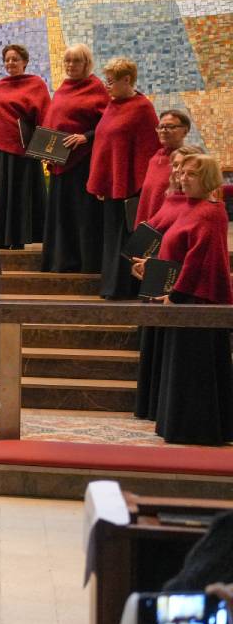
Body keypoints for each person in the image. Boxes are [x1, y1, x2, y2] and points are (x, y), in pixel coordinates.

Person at [133, 155, 232, 445]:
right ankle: (179, 426)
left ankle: (195, 429)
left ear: (209, 179)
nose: (183, 178)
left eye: (192, 174)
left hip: (196, 301)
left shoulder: (212, 212)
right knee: (180, 366)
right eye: (183, 173)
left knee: (193, 369)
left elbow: (198, 259)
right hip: (183, 294)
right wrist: (151, 266)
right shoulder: (190, 207)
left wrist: (175, 295)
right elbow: (175, 250)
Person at [132, 146, 203, 422]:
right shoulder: (170, 200)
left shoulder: (199, 207)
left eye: (184, 168)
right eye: (175, 167)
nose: (177, 173)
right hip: (157, 279)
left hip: (176, 286)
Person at [88, 57, 161, 299]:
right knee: (112, 238)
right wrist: (101, 179)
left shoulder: (142, 108)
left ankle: (126, 288)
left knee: (127, 239)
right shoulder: (112, 105)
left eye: (111, 81)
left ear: (127, 80)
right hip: (112, 185)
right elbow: (104, 144)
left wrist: (140, 184)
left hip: (131, 187)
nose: (106, 86)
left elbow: (148, 149)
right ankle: (111, 287)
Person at [0, 44, 51, 250]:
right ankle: (2, 238)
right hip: (1, 151)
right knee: (2, 194)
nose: (10, 63)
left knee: (22, 195)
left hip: (25, 151)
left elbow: (45, 115)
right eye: (7, 59)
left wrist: (46, 150)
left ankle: (20, 238)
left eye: (15, 59)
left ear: (25, 62)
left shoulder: (37, 84)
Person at [40, 43, 109, 274]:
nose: (71, 65)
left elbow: (108, 123)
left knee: (83, 214)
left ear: (86, 64)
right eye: (67, 61)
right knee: (63, 214)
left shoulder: (97, 88)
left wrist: (86, 137)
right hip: (61, 162)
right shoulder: (62, 88)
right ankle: (61, 261)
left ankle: (85, 263)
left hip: (84, 163)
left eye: (76, 61)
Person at [135, 110, 192, 227]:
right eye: (161, 127)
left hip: (174, 224)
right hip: (150, 226)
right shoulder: (155, 158)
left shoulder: (189, 159)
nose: (164, 131)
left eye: (171, 126)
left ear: (185, 131)